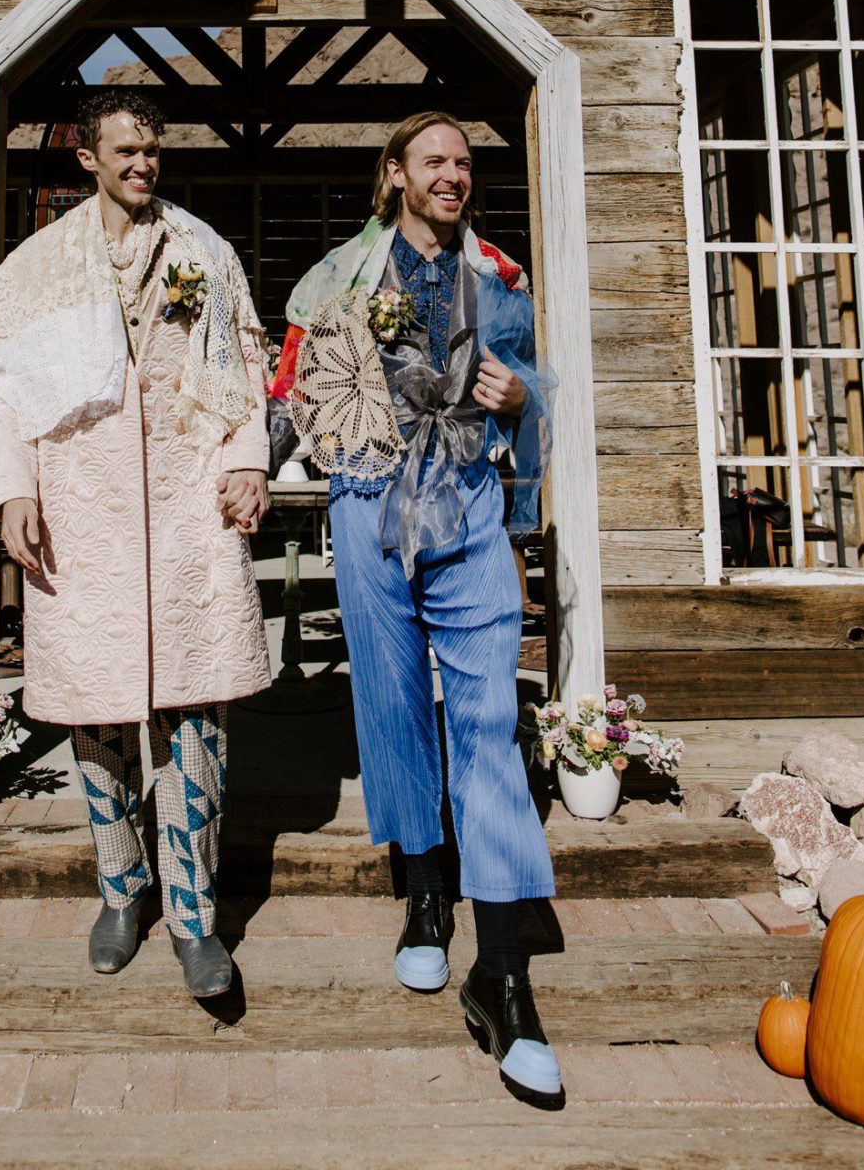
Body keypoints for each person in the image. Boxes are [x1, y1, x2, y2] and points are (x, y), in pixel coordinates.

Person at [273, 111, 562, 1106]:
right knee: (392, 701)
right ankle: (427, 893)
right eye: (435, 160)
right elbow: (289, 386)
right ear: (393, 173)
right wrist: (250, 460)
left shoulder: (504, 278)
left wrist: (519, 401)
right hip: (367, 499)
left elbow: (540, 392)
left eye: (465, 163)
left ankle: (507, 975)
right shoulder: (337, 278)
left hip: (471, 502)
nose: (455, 174)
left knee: (488, 717)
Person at [0, 89, 272, 999]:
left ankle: (195, 918)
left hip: (188, 514)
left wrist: (249, 461)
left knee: (197, 716)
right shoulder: (32, 269)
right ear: (87, 159)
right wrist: (14, 492)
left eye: (153, 150)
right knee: (94, 713)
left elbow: (246, 367)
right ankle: (120, 888)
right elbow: (6, 395)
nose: (143, 164)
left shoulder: (204, 252)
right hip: (84, 515)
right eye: (127, 151)